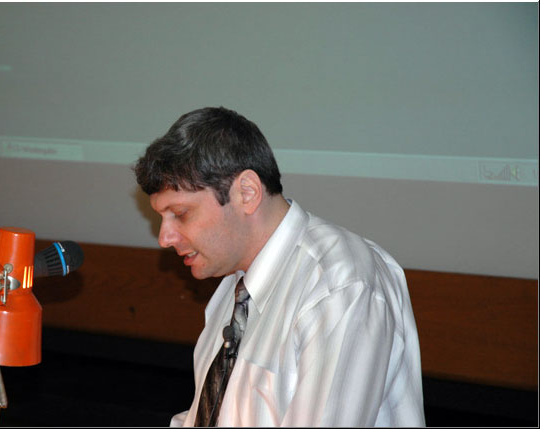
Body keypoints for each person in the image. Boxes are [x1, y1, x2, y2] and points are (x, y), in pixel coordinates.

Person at [134, 106, 425, 427]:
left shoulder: (340, 283)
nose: (165, 238)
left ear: (247, 192)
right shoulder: (235, 287)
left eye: (180, 214)